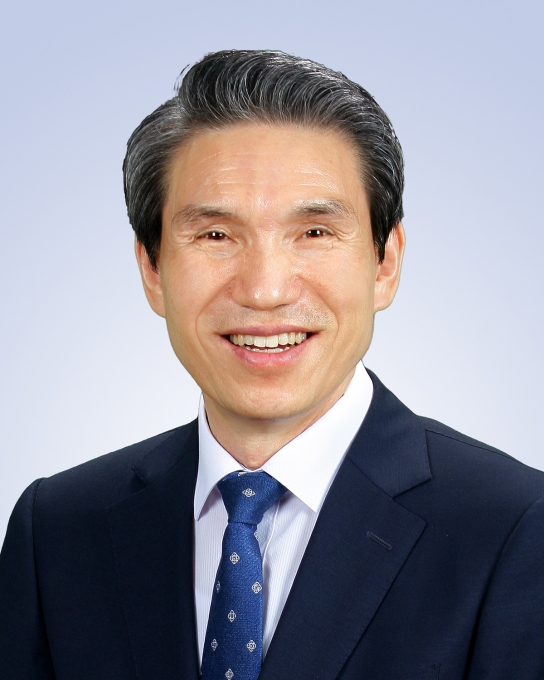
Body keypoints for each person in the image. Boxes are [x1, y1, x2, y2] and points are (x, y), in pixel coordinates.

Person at [1, 50, 543, 680]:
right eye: (215, 235)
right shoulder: (58, 530)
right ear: (152, 269)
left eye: (314, 232)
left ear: (385, 263)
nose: (264, 290)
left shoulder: (515, 528)